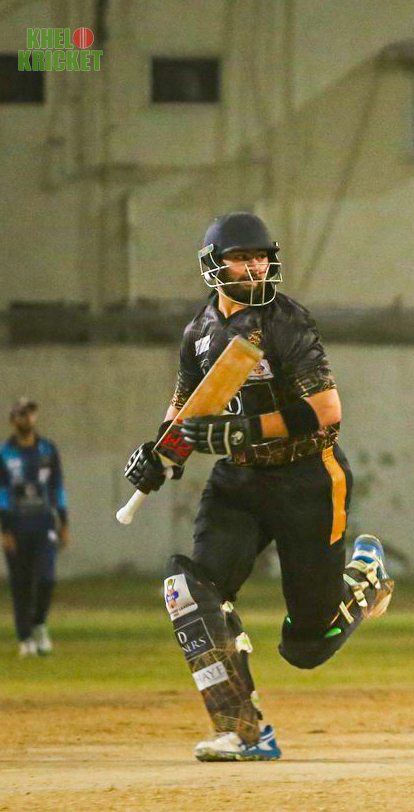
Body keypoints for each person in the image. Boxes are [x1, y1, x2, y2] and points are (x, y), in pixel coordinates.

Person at [122, 212, 394, 761]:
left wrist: (242, 428)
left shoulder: (284, 320)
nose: (255, 267)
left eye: (261, 257)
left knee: (306, 645)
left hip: (307, 477)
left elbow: (326, 412)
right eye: (241, 258)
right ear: (213, 266)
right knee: (188, 590)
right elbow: (184, 412)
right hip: (240, 480)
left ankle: (364, 580)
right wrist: (158, 456)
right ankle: (244, 730)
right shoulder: (198, 334)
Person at [1, 397, 69, 658]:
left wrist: (63, 522)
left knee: (46, 579)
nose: (26, 418)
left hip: (43, 524)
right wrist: (5, 529)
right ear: (13, 419)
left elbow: (57, 487)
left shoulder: (47, 450)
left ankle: (39, 623)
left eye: (30, 413)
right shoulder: (5, 453)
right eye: (21, 414)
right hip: (17, 526)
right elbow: (2, 492)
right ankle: (25, 638)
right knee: (20, 583)